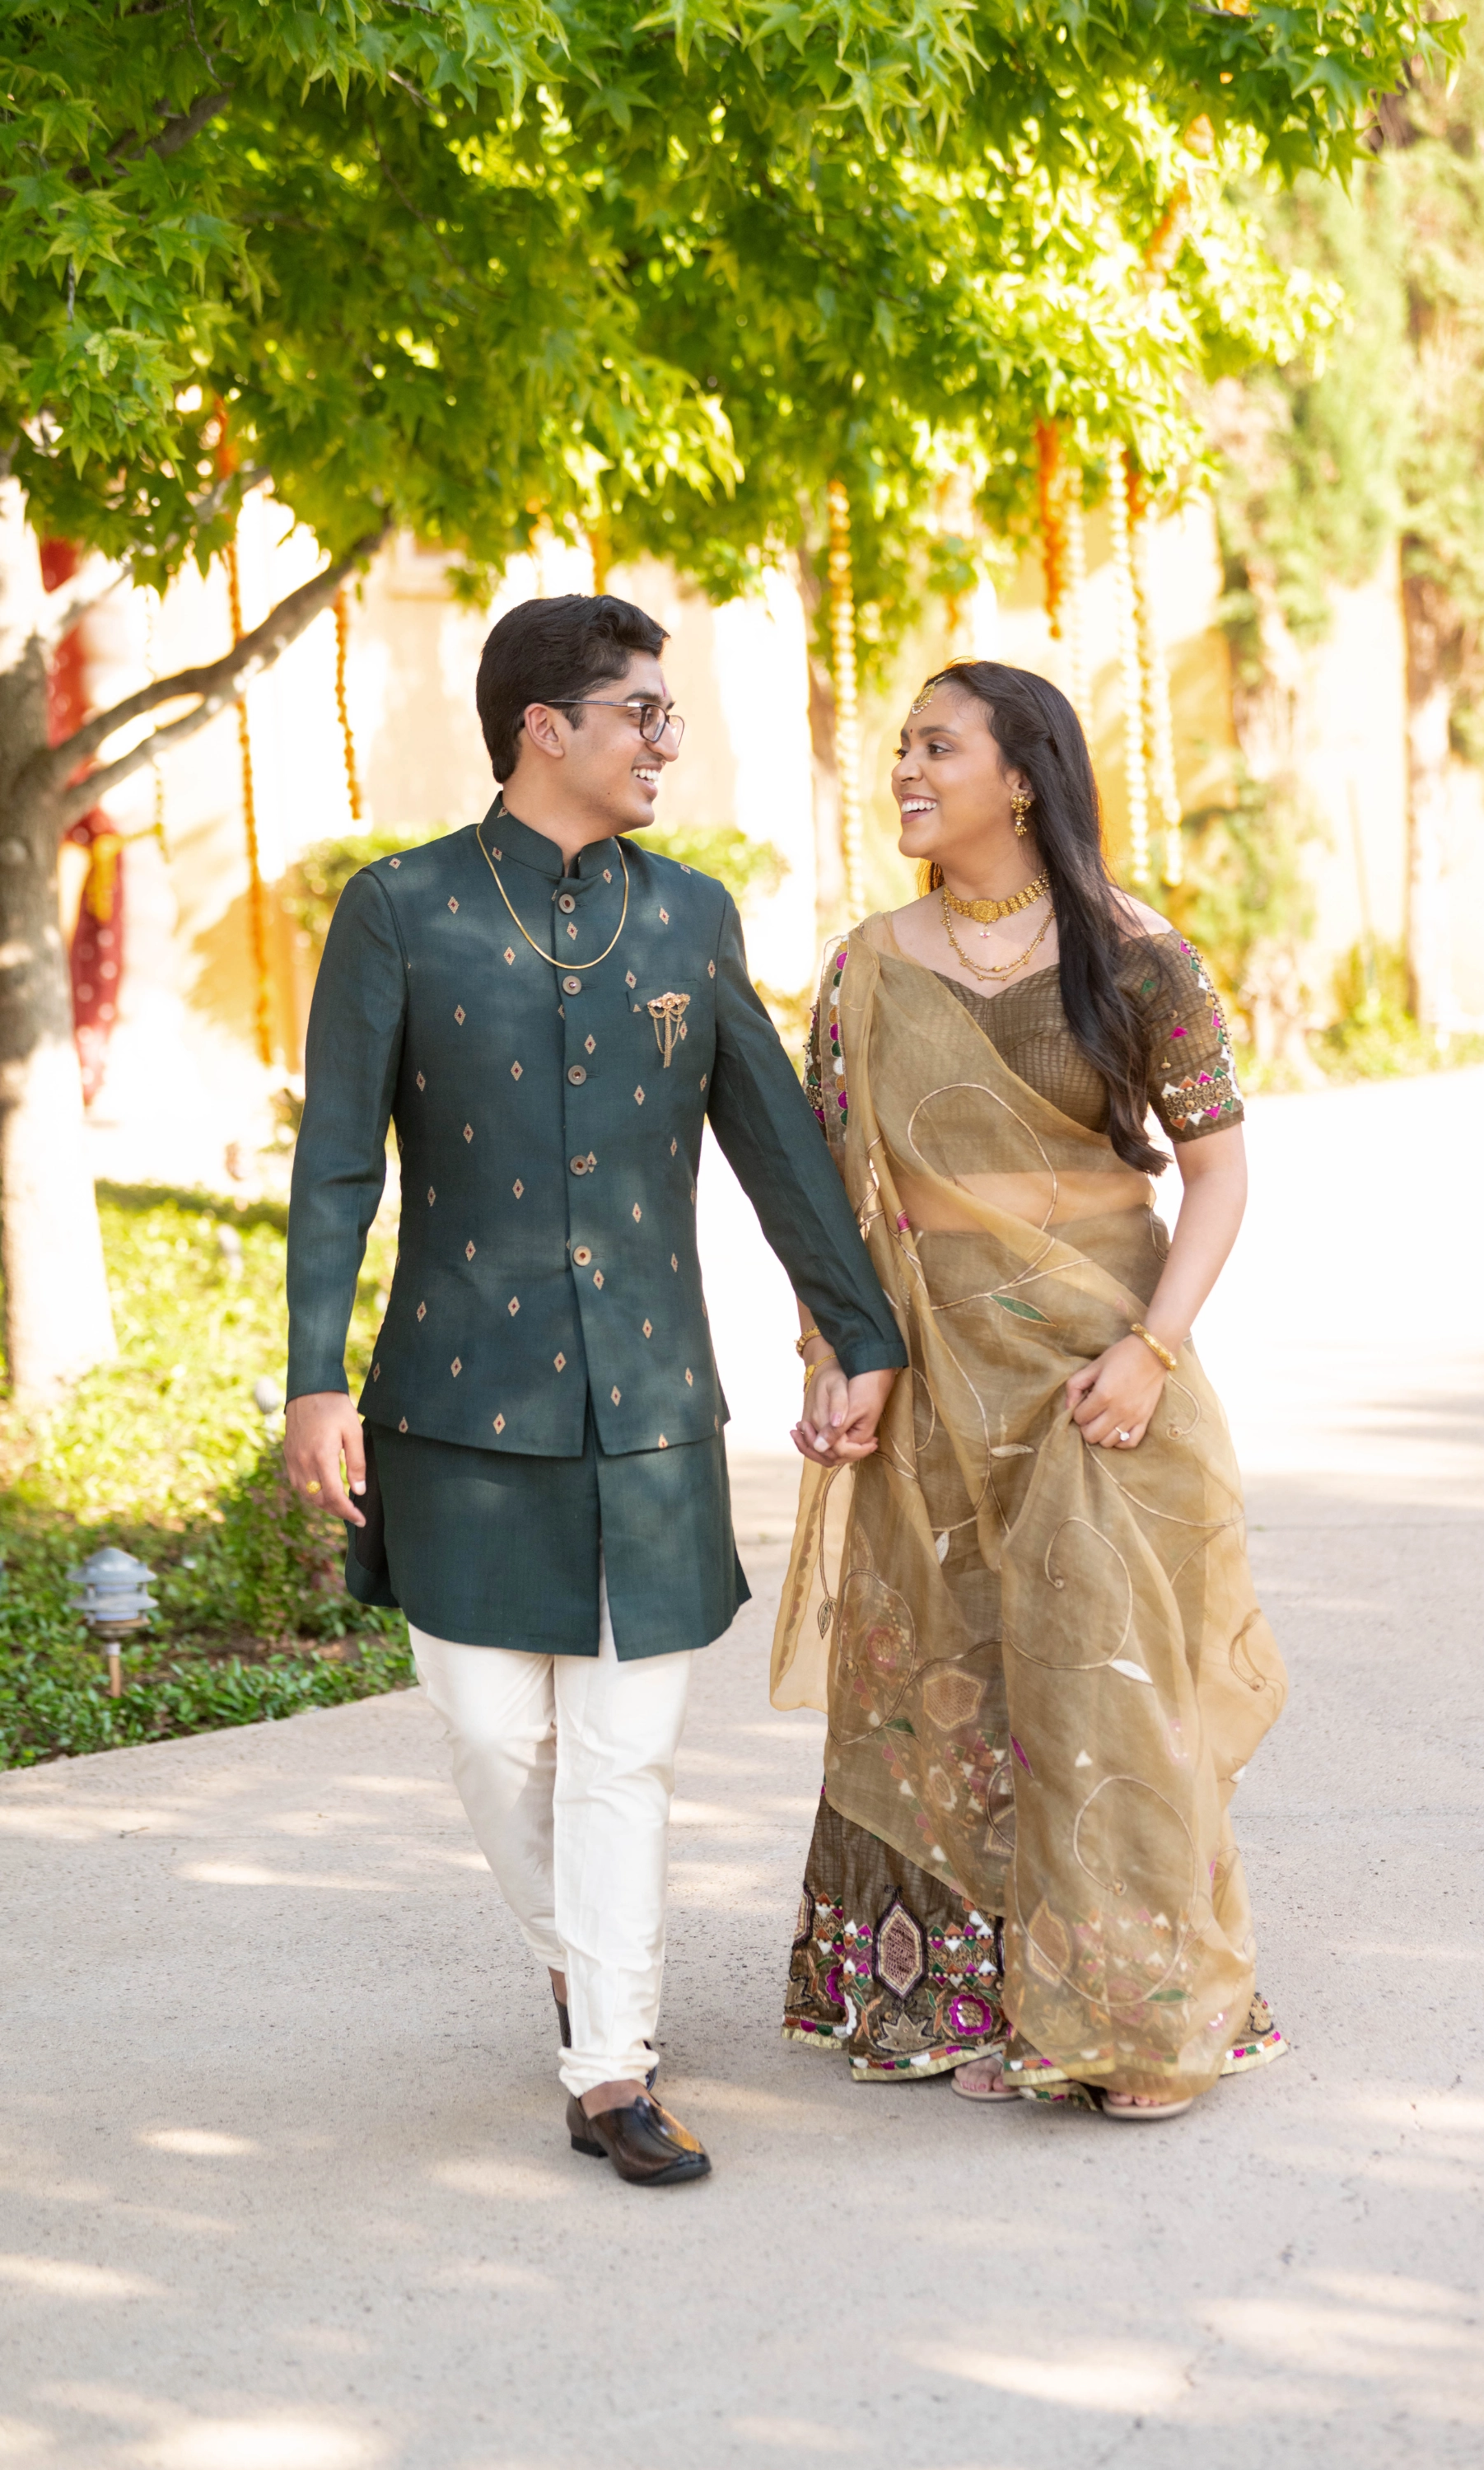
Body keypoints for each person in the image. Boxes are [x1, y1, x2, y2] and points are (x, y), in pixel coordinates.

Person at [285, 593, 905, 2186]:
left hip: (646, 1406)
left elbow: (777, 1143)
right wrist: (310, 1380)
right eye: (642, 710)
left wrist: (861, 1330)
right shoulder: (403, 910)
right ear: (542, 727)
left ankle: (610, 2062)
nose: (667, 740)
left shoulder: (690, 918)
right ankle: (591, 1969)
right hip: (455, 1411)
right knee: (494, 1740)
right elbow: (339, 1161)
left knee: (627, 1753)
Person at [775, 660, 1289, 2117]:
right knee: (947, 1666)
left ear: (1023, 774)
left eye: (938, 747)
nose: (906, 772)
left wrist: (1154, 1348)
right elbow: (829, 1193)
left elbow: (1220, 1171)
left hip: (1099, 1370)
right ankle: (944, 1994)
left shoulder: (1140, 957)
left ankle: (1134, 2015)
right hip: (936, 1365)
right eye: (900, 751)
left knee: (1107, 1679)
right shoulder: (869, 964)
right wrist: (834, 1353)